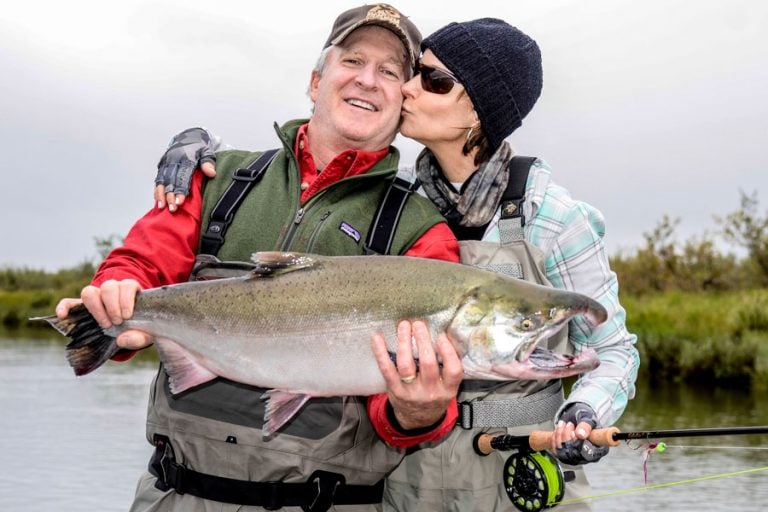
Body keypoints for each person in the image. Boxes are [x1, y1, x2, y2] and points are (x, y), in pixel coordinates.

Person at [154, 18, 640, 512]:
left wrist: (585, 410)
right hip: (407, 479)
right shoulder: (397, 200)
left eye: (433, 80)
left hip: (518, 475)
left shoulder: (556, 218)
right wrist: (197, 147)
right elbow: (316, 169)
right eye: (415, 72)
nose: (405, 87)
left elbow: (615, 349)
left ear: (479, 111)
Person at [54, 4, 467, 511]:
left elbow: (397, 417)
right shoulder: (216, 176)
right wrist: (116, 295)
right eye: (353, 61)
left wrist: (416, 413)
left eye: (388, 72)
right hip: (176, 496)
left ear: (402, 104)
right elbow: (141, 262)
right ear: (316, 82)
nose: (367, 80)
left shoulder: (422, 232)